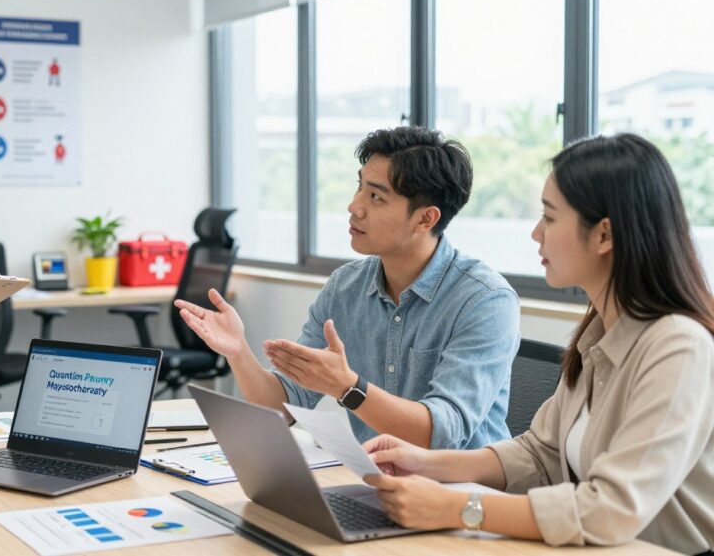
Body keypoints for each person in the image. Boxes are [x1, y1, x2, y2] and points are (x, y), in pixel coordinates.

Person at [360, 134, 714, 556]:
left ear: (604, 235)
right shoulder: (600, 332)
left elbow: (612, 510)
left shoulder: (679, 346)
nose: (535, 234)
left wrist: (459, 507)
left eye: (549, 218)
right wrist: (426, 464)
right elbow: (539, 454)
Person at [176, 126, 520, 449]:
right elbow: (284, 405)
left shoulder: (485, 301)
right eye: (360, 187)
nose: (354, 207)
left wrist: (348, 387)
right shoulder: (346, 287)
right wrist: (238, 352)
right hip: (378, 482)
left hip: (463, 497)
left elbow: (441, 435)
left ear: (425, 219)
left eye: (376, 197)